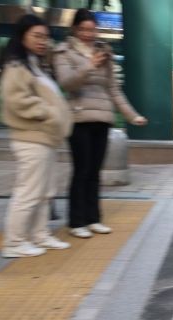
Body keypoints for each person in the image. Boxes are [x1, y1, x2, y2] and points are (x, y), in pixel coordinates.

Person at [53, 8, 147, 239]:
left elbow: (113, 89)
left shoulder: (104, 52)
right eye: (83, 29)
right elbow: (66, 83)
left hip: (103, 119)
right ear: (75, 29)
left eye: (92, 29)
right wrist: (88, 65)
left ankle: (93, 218)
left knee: (95, 172)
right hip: (78, 119)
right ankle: (76, 221)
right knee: (82, 170)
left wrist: (131, 116)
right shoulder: (62, 52)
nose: (88, 34)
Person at [0, 14, 73, 258]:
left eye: (45, 36)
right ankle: (14, 242)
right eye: (37, 36)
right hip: (30, 138)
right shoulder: (15, 66)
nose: (43, 41)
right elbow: (15, 100)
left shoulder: (35, 65)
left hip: (45, 138)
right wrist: (48, 112)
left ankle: (39, 235)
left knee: (45, 192)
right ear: (22, 37)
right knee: (28, 192)